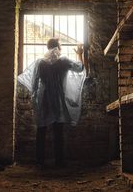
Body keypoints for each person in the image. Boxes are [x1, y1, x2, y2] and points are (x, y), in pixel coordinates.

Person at [18, 38, 86, 167]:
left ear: (47, 47)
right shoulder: (64, 61)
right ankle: (59, 161)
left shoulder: (40, 62)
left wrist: (35, 101)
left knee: (41, 129)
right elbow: (80, 68)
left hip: (43, 99)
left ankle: (40, 161)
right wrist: (80, 54)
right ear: (58, 48)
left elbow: (34, 85)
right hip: (58, 100)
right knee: (58, 130)